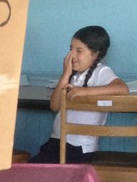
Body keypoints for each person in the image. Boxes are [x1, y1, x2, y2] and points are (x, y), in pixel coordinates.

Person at [30, 25, 129, 163]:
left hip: (79, 148)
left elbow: (122, 89)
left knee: (42, 172)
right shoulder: (73, 76)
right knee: (32, 170)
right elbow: (54, 106)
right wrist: (66, 74)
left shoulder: (101, 71)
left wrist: (84, 91)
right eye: (71, 49)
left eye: (79, 50)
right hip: (56, 142)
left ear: (95, 54)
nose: (72, 55)